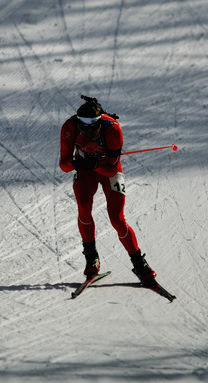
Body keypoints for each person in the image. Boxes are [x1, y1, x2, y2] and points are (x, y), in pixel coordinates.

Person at [59, 95, 156, 282]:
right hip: (85, 171)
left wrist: (94, 164)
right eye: (84, 129)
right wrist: (75, 163)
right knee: (84, 208)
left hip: (106, 171)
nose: (88, 134)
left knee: (117, 218)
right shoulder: (69, 128)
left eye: (93, 130)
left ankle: (139, 263)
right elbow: (63, 165)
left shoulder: (113, 129)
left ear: (99, 124)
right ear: (78, 124)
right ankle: (91, 259)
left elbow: (111, 170)